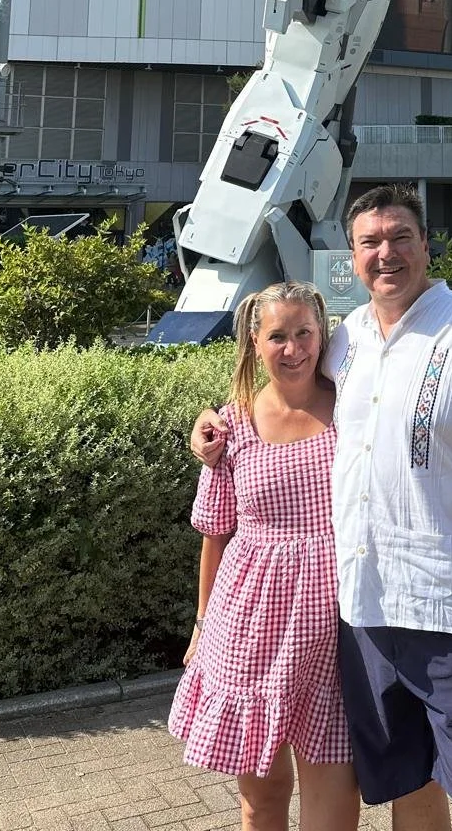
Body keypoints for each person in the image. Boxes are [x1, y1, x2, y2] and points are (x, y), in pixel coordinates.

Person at [193, 183, 452, 831]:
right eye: (370, 242)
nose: (386, 253)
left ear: (425, 245)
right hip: (366, 619)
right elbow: (281, 375)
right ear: (353, 257)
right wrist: (213, 422)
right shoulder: (346, 341)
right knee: (410, 791)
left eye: (400, 237)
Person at [170, 280, 359, 831]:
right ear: (255, 342)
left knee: (335, 795)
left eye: (305, 332)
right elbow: (215, 535)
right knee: (262, 796)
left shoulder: (356, 410)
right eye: (278, 335)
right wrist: (202, 624)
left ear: (324, 335)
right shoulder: (231, 425)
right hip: (250, 625)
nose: (293, 348)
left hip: (337, 622)